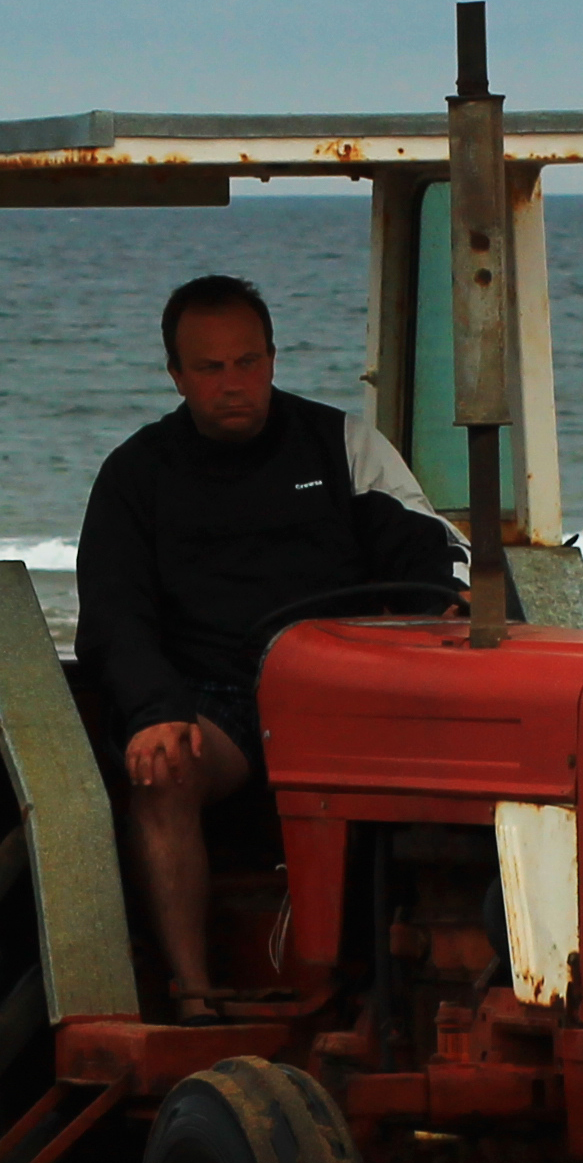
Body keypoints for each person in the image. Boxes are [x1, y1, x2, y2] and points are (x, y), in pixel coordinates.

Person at [77, 273, 463, 1012]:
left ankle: (424, 977)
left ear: (274, 358)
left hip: (335, 696)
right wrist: (156, 711)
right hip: (214, 705)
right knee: (162, 771)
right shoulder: (137, 474)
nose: (234, 385)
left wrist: (452, 598)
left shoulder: (342, 444)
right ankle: (193, 991)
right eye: (211, 368)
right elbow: (115, 616)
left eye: (248, 362)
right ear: (177, 375)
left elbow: (426, 553)